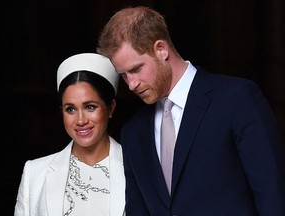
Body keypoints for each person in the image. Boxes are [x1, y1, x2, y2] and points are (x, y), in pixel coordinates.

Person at [96, 6, 285, 215]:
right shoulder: (133, 132)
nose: (131, 84)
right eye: (123, 75)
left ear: (161, 49)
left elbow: (272, 193)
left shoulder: (236, 99)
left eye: (135, 69)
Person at [14, 53, 125, 216]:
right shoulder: (35, 172)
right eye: (70, 109)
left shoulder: (137, 169)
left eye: (90, 107)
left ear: (110, 107)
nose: (81, 120)